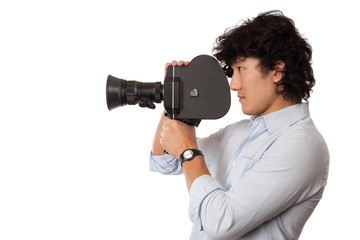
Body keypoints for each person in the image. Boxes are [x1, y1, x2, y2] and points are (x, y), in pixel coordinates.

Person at [150, 10, 329, 240]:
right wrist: (175, 94)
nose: (233, 85)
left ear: (277, 70)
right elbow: (164, 160)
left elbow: (219, 223)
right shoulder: (239, 132)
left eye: (241, 69)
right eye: (231, 72)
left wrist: (188, 151)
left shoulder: (303, 146)